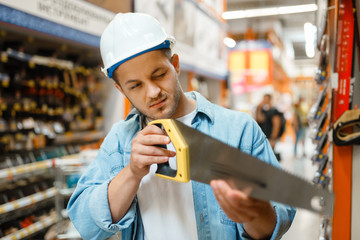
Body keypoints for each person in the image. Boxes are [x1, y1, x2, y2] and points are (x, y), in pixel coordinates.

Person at [67, 12, 295, 240]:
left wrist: (253, 211)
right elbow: (86, 225)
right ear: (121, 90)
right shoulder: (120, 141)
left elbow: (276, 223)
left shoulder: (237, 131)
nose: (153, 92)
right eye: (135, 86)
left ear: (175, 64)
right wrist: (132, 173)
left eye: (159, 74)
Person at [255, 94, 283, 160]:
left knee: (269, 156)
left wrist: (273, 138)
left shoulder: (274, 111)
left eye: (266, 99)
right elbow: (259, 119)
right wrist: (259, 107)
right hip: (263, 136)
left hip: (270, 137)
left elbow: (276, 125)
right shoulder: (264, 111)